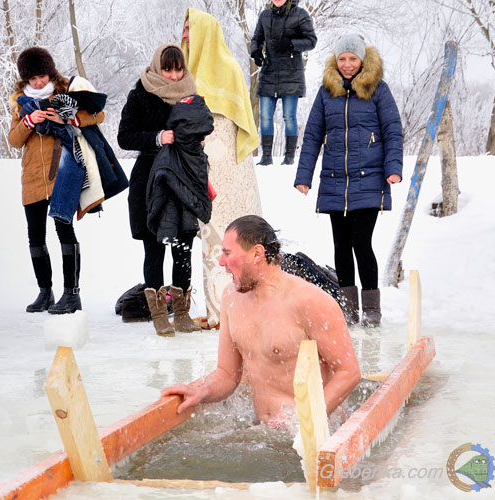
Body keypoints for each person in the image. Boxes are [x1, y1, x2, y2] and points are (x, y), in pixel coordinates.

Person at [162, 215, 361, 427]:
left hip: (309, 436)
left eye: (228, 253)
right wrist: (201, 391)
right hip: (263, 432)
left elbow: (349, 372)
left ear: (257, 253)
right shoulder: (231, 297)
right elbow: (228, 374)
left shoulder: (309, 301)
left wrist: (304, 422)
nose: (221, 262)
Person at [294, 34, 403, 327]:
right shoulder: (326, 92)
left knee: (361, 242)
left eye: (352, 59)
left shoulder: (377, 90)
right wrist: (304, 176)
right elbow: (313, 135)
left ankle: (371, 312)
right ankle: (347, 310)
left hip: (369, 179)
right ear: (336, 60)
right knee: (340, 245)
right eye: (342, 59)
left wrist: (393, 168)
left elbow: (393, 130)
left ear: (362, 60)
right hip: (334, 180)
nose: (347, 64)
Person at [7, 47, 106, 314]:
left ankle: (72, 294)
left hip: (62, 173)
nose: (39, 83)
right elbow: (14, 141)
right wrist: (28, 122)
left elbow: (98, 115)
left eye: (42, 76)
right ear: (25, 80)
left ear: (50, 72)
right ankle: (45, 292)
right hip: (32, 177)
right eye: (33, 79)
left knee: (64, 230)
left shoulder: (66, 93)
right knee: (35, 236)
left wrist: (67, 117)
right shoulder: (21, 103)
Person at [182, 9, 262, 329]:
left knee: (234, 239)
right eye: (184, 27)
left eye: (191, 27)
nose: (185, 32)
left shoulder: (227, 69)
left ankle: (246, 312)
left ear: (205, 32)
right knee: (210, 242)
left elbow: (241, 126)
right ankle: (219, 314)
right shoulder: (183, 74)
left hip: (228, 166)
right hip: (198, 167)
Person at [118, 44, 204, 336]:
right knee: (154, 249)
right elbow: (124, 137)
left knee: (183, 248)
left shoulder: (193, 96)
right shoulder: (141, 94)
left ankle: (181, 314)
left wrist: (195, 143)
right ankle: (158, 315)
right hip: (150, 181)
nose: (173, 75)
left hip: (183, 181)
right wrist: (157, 137)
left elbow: (204, 129)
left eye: (178, 68)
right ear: (158, 67)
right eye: (168, 69)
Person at [251, 0, 316, 165]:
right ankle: (266, 157)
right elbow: (256, 38)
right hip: (269, 72)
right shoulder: (265, 16)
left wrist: (291, 44)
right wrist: (256, 51)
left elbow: (311, 40)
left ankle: (289, 158)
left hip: (291, 74)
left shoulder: (300, 14)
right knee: (265, 116)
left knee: (289, 116)